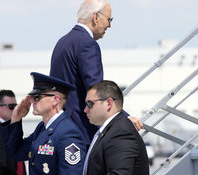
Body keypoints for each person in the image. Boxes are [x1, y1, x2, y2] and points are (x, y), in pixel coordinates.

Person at [50, 0, 142, 143]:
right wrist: (123, 116)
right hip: (82, 131)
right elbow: (97, 89)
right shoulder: (88, 44)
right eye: (109, 19)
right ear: (95, 17)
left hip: (60, 128)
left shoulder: (62, 42)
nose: (109, 25)